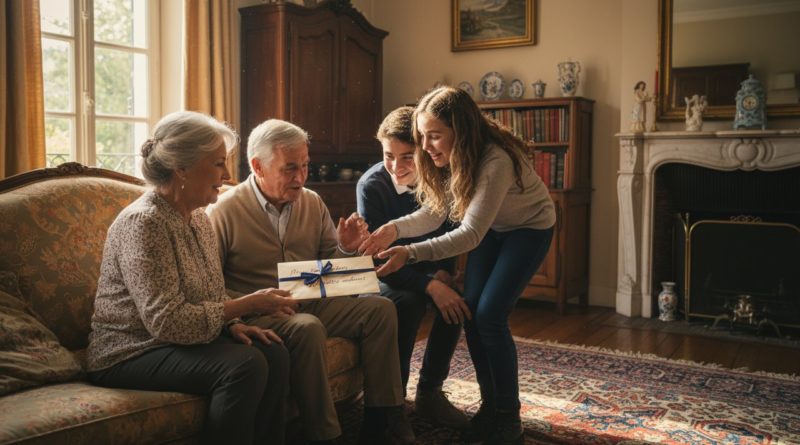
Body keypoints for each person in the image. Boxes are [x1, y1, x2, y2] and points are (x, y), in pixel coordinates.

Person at [359, 86, 556, 445]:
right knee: (473, 316)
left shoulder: (495, 161)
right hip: (492, 230)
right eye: (422, 135)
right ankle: (491, 405)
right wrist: (394, 230)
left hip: (528, 229)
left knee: (490, 316)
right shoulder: (452, 157)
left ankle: (509, 419)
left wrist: (410, 252)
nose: (426, 145)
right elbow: (436, 212)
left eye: (434, 136)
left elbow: (469, 235)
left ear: (460, 131)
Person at [86, 111, 296, 445]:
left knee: (274, 351)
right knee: (245, 365)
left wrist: (233, 324)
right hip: (129, 352)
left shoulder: (198, 219)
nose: (227, 175)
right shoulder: (145, 223)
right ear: (181, 168)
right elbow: (166, 321)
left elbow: (209, 295)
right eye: (216, 164)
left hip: (172, 342)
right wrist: (247, 304)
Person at [206, 119, 413, 445]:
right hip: (260, 311)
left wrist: (346, 248)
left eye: (304, 166)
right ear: (257, 166)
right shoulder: (223, 212)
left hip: (313, 297)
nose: (301, 177)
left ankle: (381, 420)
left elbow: (336, 276)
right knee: (307, 327)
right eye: (290, 169)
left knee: (381, 310)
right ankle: (324, 435)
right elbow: (209, 285)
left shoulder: (312, 202)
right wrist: (251, 303)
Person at [356, 106, 471, 429]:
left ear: (425, 150)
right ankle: (394, 403)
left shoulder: (445, 177)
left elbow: (452, 228)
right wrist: (431, 284)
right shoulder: (372, 186)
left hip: (426, 265)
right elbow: (381, 257)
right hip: (383, 272)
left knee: (458, 301)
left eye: (407, 156)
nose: (395, 166)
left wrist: (445, 271)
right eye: (388, 155)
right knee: (406, 304)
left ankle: (430, 392)